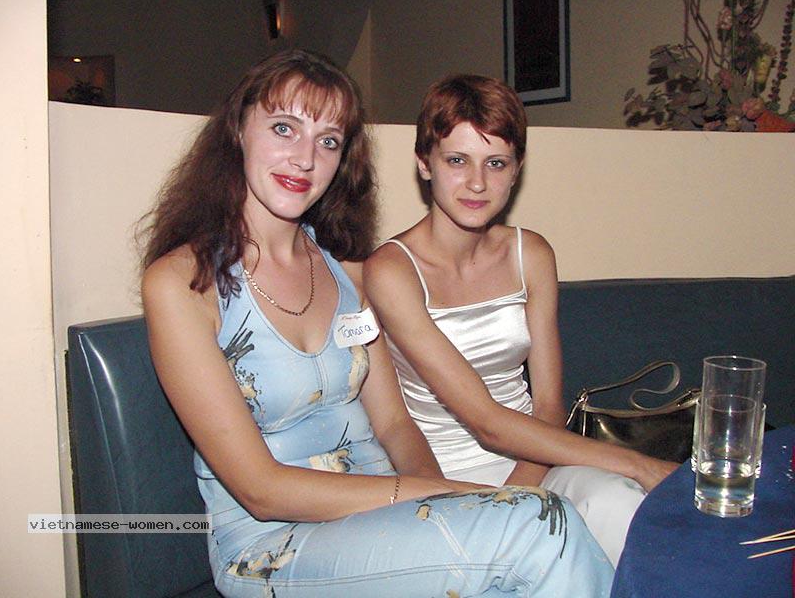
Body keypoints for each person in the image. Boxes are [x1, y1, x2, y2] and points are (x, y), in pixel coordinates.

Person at [139, 50, 613, 597]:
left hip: (385, 516)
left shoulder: (347, 276)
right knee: (540, 525)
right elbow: (260, 489)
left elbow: (394, 425)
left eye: (328, 141)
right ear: (238, 131)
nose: (304, 158)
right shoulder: (182, 285)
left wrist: (449, 507)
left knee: (538, 528)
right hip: (274, 545)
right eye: (284, 128)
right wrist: (445, 498)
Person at [363, 74, 678, 567]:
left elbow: (548, 402)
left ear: (516, 170)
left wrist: (523, 491)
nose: (477, 183)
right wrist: (638, 463)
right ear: (425, 163)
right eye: (457, 160)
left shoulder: (531, 253)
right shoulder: (391, 270)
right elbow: (485, 422)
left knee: (619, 504)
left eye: (496, 163)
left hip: (536, 460)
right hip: (440, 476)